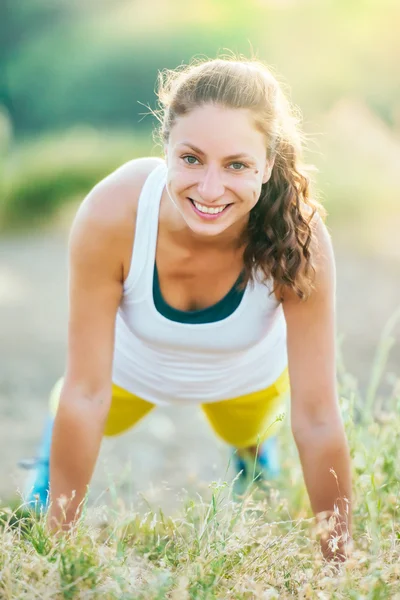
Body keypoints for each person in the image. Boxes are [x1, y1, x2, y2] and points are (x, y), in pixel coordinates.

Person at [24, 56, 352, 560]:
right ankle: (48, 468)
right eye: (192, 159)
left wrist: (340, 563)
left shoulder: (301, 238)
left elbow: (317, 417)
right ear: (166, 150)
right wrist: (55, 547)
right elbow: (87, 392)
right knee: (72, 406)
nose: (210, 189)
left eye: (237, 165)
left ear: (267, 164)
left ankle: (254, 458)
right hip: (129, 373)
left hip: (246, 380)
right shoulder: (114, 212)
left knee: (247, 430)